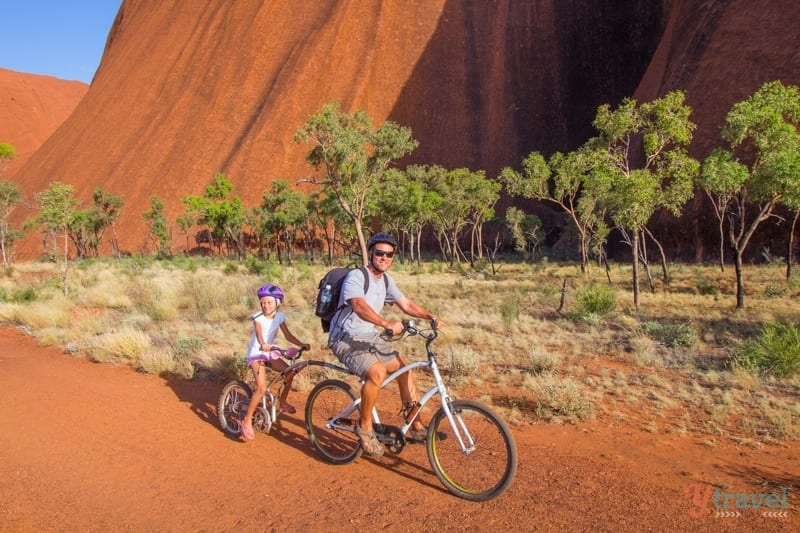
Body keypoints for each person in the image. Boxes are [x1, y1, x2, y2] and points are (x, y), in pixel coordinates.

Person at [328, 233, 439, 456]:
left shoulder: (386, 280)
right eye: (380, 253)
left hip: (369, 336)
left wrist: (430, 316)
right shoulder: (356, 277)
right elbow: (358, 306)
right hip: (344, 337)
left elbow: (405, 303)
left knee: (403, 367)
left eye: (389, 254)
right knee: (377, 372)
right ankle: (365, 426)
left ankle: (415, 425)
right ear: (371, 253)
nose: (384, 257)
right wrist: (385, 322)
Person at [240, 283, 310, 441]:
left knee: (290, 372)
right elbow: (259, 335)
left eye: (269, 302)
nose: (265, 305)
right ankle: (246, 421)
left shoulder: (279, 317)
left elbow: (288, 335)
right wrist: (263, 344)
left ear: (277, 303)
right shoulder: (258, 318)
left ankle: (282, 402)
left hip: (270, 352)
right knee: (261, 387)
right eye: (263, 302)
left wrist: (301, 344)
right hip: (258, 352)